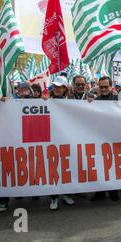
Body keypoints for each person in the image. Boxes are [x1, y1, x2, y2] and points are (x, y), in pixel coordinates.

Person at [45, 76, 75, 210]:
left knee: (66, 168)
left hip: (67, 139)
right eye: (55, 87)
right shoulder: (46, 101)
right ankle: (54, 197)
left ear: (64, 88)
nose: (57, 89)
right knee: (53, 168)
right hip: (51, 140)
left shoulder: (71, 101)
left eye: (60, 87)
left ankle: (66, 194)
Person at [91, 76, 120, 202]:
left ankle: (114, 191)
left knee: (112, 166)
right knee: (100, 165)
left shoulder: (118, 99)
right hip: (99, 137)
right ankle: (100, 192)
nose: (103, 89)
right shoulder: (95, 101)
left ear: (110, 87)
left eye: (105, 87)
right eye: (101, 87)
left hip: (114, 137)